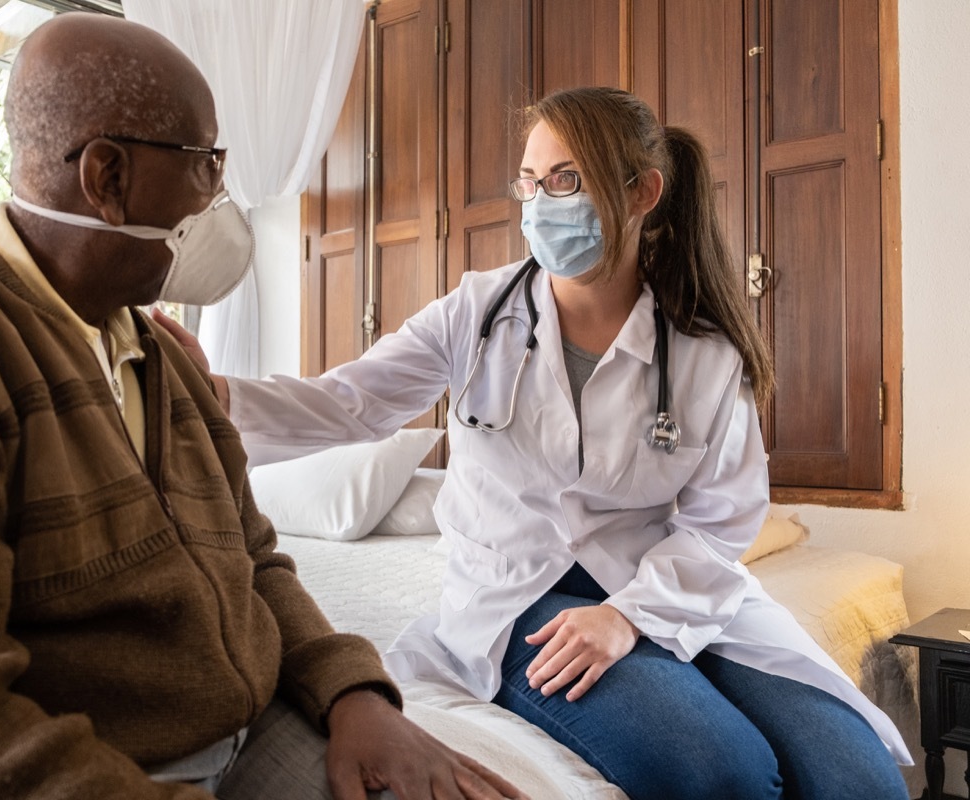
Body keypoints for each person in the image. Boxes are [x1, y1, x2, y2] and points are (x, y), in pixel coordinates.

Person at [0, 14, 525, 800]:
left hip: (230, 737)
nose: (218, 190)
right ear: (108, 178)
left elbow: (255, 559)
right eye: (205, 161)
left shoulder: (158, 354)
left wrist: (353, 693)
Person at [158, 87, 912, 800]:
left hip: (663, 584)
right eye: (529, 182)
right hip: (521, 592)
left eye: (564, 180)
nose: (539, 203)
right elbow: (351, 403)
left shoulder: (702, 353)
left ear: (643, 193)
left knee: (859, 778)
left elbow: (720, 523)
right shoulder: (477, 313)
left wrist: (630, 616)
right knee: (721, 771)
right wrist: (218, 394)